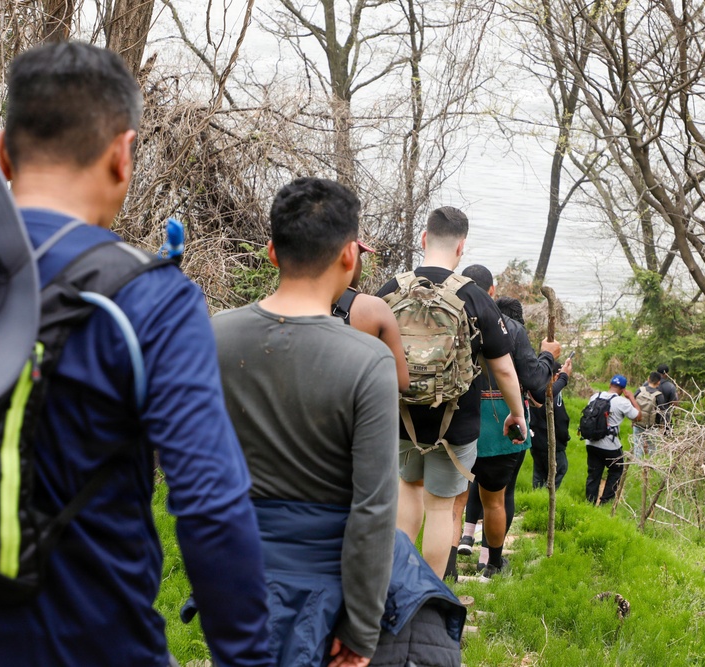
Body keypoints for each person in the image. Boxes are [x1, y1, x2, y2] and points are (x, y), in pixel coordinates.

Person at [0, 43, 272, 666]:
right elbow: (210, 504)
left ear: (2, 150)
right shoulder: (152, 300)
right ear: (122, 155)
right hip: (96, 645)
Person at [212, 178, 399, 667]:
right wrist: (361, 629)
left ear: (272, 252)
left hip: (232, 578)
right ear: (349, 256)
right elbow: (374, 508)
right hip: (324, 592)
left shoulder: (213, 336)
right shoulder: (367, 361)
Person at [376, 208, 527, 579]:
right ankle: (428, 598)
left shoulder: (390, 290)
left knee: (408, 491)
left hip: (401, 416)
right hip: (455, 422)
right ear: (461, 247)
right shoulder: (475, 298)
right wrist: (516, 413)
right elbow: (505, 368)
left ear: (424, 239)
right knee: (441, 508)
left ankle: (396, 583)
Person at [454, 283, 559, 580]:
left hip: (459, 420)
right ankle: (490, 564)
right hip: (502, 422)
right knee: (500, 496)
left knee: (455, 499)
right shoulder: (510, 328)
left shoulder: (452, 317)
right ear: (490, 289)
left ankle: (449, 563)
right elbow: (536, 381)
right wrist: (548, 356)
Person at [333, 241, 409, 390]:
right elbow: (402, 383)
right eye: (359, 257)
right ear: (348, 259)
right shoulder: (375, 308)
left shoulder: (288, 304)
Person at [584, 374, 640, 506]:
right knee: (616, 471)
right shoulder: (622, 402)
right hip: (610, 445)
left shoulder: (595, 397)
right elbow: (638, 417)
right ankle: (605, 503)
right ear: (623, 389)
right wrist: (631, 397)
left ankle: (589, 503)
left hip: (591, 442)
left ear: (610, 385)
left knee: (594, 473)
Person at [530, 357, 573, 490]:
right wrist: (564, 441)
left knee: (539, 473)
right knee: (559, 469)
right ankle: (544, 500)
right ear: (555, 376)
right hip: (551, 444)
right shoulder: (552, 396)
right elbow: (561, 422)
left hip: (535, 442)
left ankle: (535, 498)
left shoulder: (533, 392)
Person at [631, 371, 667, 459]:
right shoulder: (659, 395)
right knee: (652, 446)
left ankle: (637, 464)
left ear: (648, 379)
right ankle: (652, 463)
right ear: (658, 382)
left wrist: (633, 420)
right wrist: (662, 425)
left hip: (638, 422)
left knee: (637, 445)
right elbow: (662, 412)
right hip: (652, 425)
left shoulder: (640, 390)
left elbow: (632, 404)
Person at [657, 363, 680, 431]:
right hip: (664, 417)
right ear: (666, 374)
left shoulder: (648, 383)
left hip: (649, 416)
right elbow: (675, 404)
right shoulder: (670, 386)